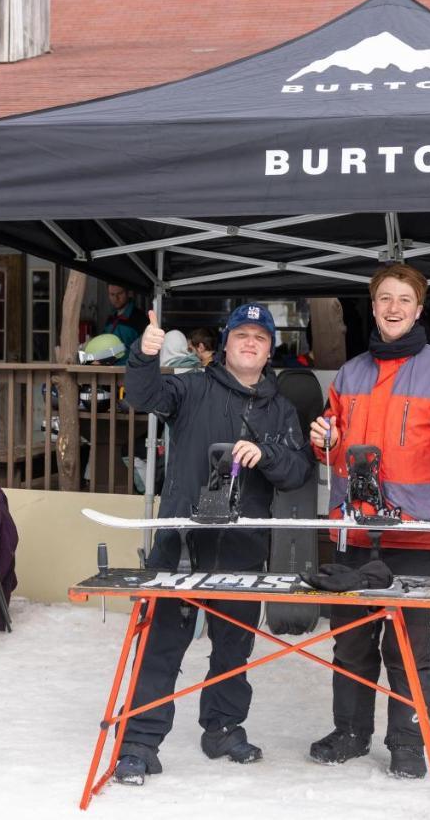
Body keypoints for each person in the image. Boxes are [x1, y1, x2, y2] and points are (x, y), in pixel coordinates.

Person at [306, 263, 430, 780]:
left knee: (406, 645)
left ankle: (406, 742)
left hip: (416, 533)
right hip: (354, 529)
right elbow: (332, 448)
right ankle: (350, 732)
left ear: (419, 309)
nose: (393, 308)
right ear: (372, 307)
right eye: (384, 299)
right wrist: (323, 440)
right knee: (350, 641)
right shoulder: (349, 374)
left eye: (403, 300)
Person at [113, 302, 315, 786]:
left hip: (243, 544)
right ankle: (139, 742)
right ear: (225, 344)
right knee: (163, 642)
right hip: (182, 540)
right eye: (241, 334)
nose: (250, 343)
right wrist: (143, 355)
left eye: (260, 338)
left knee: (233, 644)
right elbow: (142, 395)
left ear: (269, 351)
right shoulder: (191, 387)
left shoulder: (280, 408)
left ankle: (222, 728)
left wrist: (266, 454)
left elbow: (298, 471)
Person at [103, 283, 149, 361]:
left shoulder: (140, 319)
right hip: (109, 369)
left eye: (120, 293)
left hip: (130, 370)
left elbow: (145, 351)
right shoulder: (111, 318)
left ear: (129, 293)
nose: (116, 298)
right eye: (112, 294)